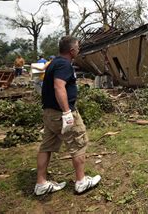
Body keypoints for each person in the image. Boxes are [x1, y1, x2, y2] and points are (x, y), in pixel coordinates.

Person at [34, 36, 101, 196]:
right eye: (77, 47)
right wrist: (66, 112)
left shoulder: (54, 63)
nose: (79, 49)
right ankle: (81, 181)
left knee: (46, 146)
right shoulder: (64, 64)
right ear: (72, 50)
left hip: (49, 113)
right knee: (78, 142)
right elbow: (59, 87)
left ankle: (41, 183)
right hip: (60, 113)